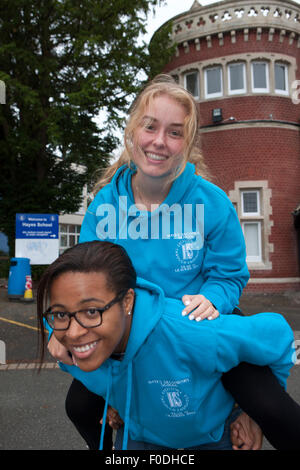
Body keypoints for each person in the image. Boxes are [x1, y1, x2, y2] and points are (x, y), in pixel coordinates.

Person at [46, 74, 300, 450]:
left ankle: (236, 413)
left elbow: (230, 274)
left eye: (175, 132)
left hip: (197, 329)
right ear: (133, 131)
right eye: (150, 127)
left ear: (188, 143)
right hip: (128, 333)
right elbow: (79, 284)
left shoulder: (210, 202)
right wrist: (60, 329)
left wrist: (214, 298)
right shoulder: (103, 208)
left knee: (273, 409)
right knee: (80, 407)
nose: (160, 142)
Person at [37, 241, 295, 450]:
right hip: (141, 438)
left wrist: (253, 414)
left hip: (211, 439)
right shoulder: (72, 352)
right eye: (60, 315)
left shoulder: (192, 332)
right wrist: (116, 401)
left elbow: (276, 334)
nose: (73, 332)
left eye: (92, 311)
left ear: (127, 302)